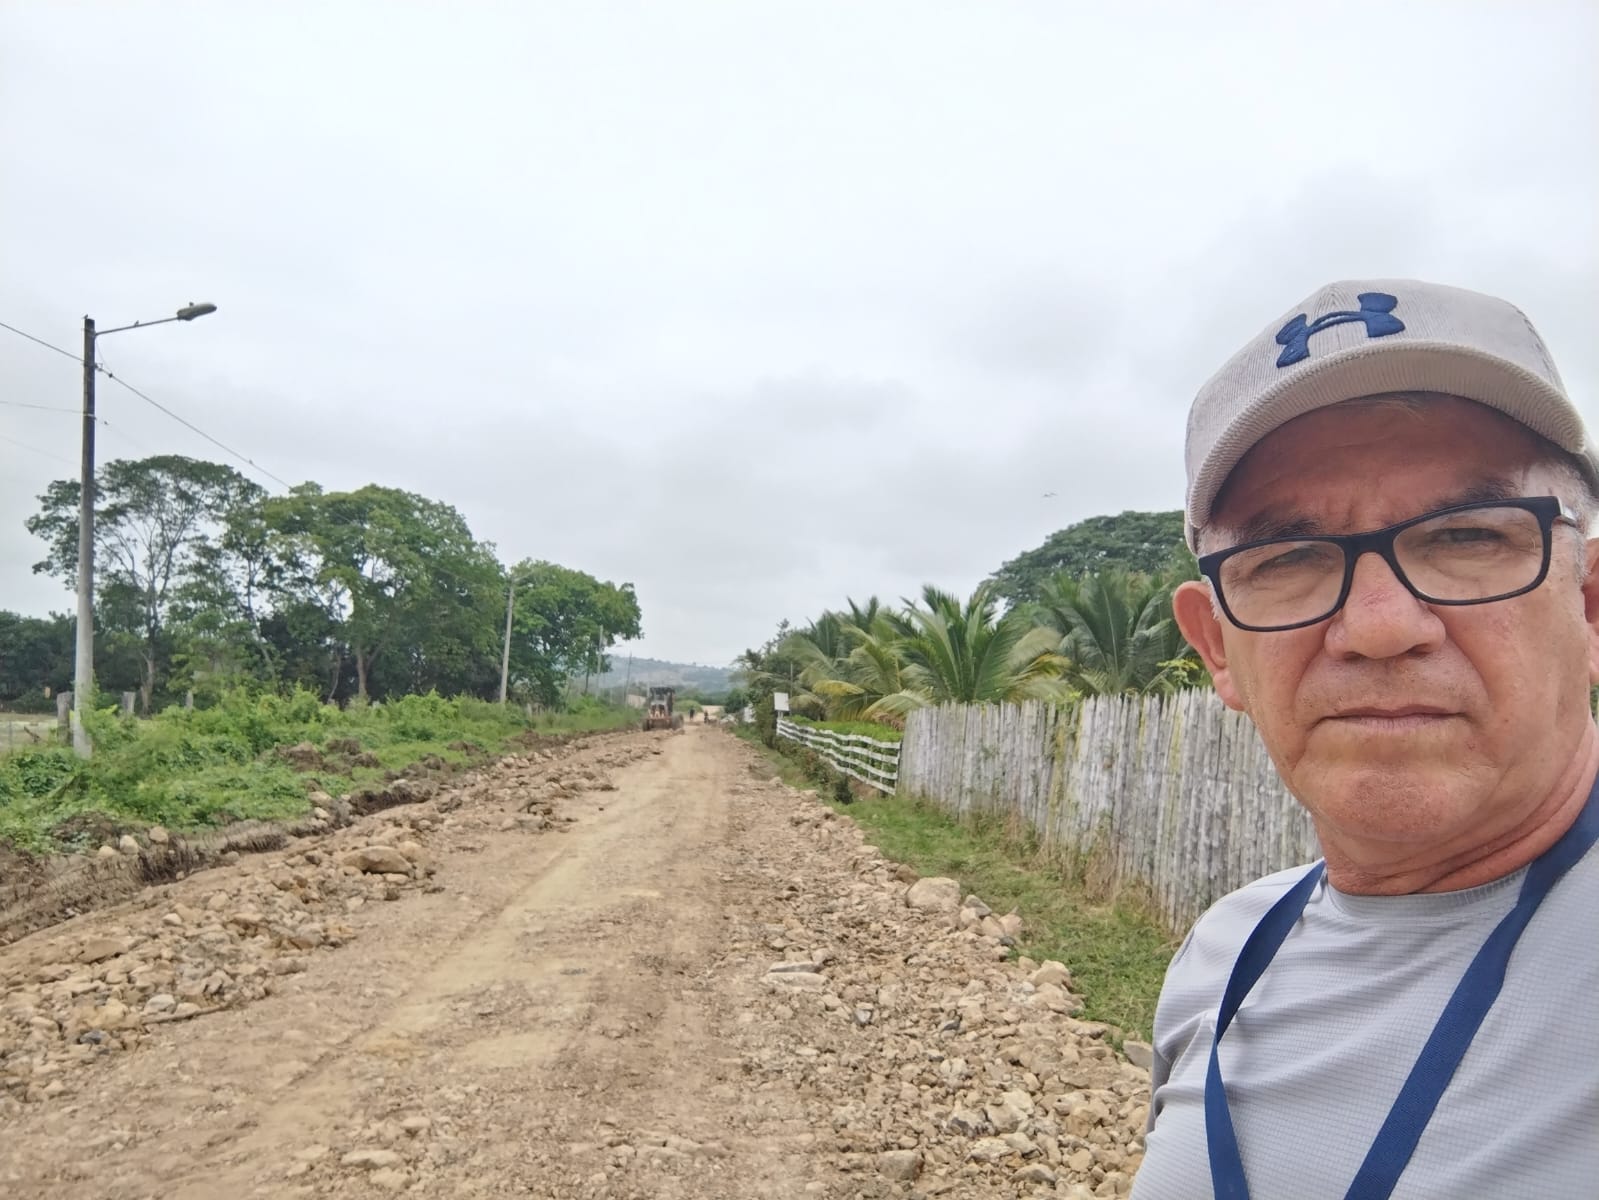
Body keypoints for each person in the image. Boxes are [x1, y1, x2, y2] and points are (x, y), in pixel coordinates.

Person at [1132, 279, 1599, 1199]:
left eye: (1464, 537)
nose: (1379, 627)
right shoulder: (1220, 958)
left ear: (1586, 605)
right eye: (1288, 558)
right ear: (1218, 649)